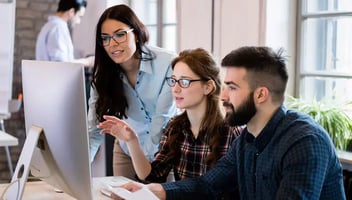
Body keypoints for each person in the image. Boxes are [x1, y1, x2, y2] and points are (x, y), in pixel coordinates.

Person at [119, 46, 346, 199]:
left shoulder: (304, 142)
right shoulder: (247, 140)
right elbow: (207, 185)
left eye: (233, 88)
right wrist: (153, 190)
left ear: (260, 95)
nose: (223, 95)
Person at [97, 48, 242, 185]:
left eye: (184, 82)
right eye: (173, 80)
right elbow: (152, 176)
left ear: (208, 87)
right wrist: (132, 140)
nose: (176, 89)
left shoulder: (231, 132)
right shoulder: (175, 127)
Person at [88, 4, 178, 178]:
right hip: (126, 147)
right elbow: (94, 128)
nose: (112, 44)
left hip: (165, 150)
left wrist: (146, 168)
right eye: (105, 38)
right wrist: (79, 172)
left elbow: (162, 120)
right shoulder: (104, 75)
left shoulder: (168, 63)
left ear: (135, 34)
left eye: (120, 35)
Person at [35, 0, 93, 66]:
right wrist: (88, 61)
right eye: (79, 16)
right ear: (71, 12)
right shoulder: (58, 28)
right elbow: (62, 64)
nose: (78, 21)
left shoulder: (50, 25)